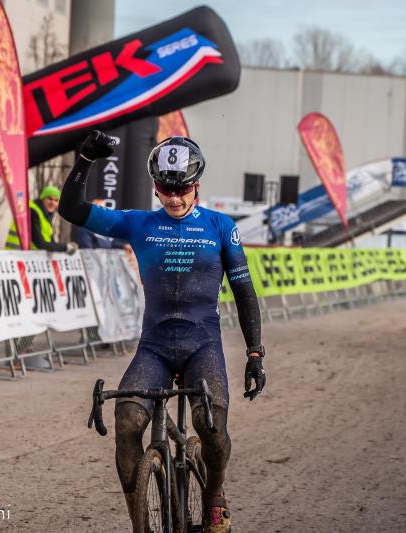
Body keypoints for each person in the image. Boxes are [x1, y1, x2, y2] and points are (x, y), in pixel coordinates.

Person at [59, 131, 265, 533]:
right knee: (126, 422)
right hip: (154, 348)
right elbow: (73, 209)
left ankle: (214, 497)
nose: (174, 197)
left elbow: (244, 292)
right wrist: (84, 160)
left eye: (182, 188)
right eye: (166, 188)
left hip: (202, 344)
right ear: (156, 186)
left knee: (211, 428)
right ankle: (141, 522)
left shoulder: (221, 227)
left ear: (197, 185)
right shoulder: (138, 223)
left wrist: (255, 354)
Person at [4, 185, 78, 253]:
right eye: (50, 199)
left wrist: (66, 247)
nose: (53, 203)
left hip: (26, 257)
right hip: (16, 256)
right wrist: (65, 247)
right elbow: (40, 244)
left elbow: (50, 243)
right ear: (42, 199)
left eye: (56, 200)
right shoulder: (32, 211)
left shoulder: (45, 215)